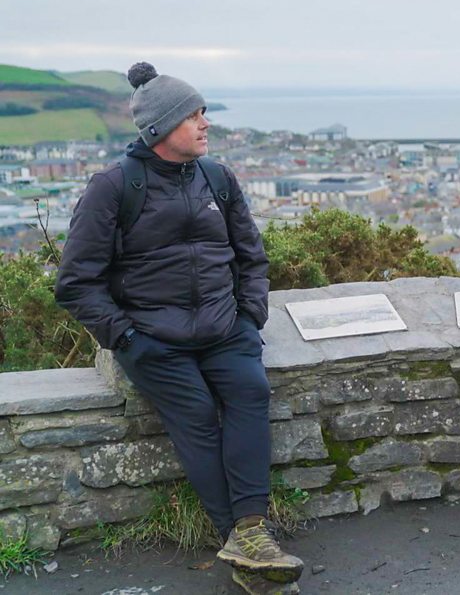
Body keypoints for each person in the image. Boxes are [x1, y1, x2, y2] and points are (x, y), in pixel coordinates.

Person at [55, 63, 304, 593]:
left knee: (250, 392)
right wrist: (127, 340)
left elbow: (251, 257)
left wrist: (249, 317)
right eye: (193, 116)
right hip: (154, 339)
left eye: (203, 113)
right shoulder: (113, 188)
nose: (205, 123)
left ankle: (250, 535)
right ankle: (249, 545)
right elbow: (76, 283)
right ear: (162, 127)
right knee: (196, 416)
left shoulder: (218, 178)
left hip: (225, 328)